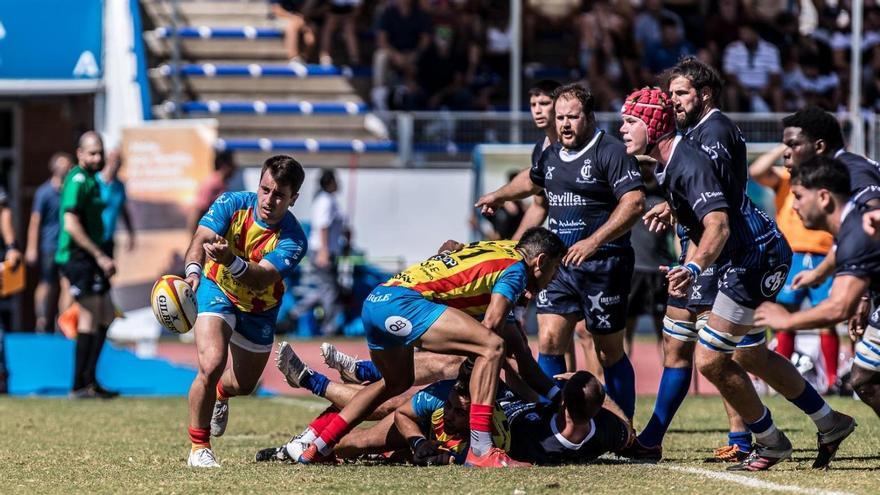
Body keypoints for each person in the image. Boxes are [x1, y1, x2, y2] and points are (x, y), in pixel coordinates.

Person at [622, 87, 854, 471]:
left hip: (755, 256)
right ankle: (830, 421)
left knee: (711, 358)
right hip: (745, 255)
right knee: (749, 354)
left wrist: (693, 267)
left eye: (630, 121)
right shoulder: (671, 161)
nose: (623, 130)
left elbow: (719, 224)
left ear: (652, 122)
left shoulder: (686, 161)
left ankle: (769, 441)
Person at [294, 229, 566, 468]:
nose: (554, 279)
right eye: (554, 270)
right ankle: (482, 451)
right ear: (540, 262)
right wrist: (471, 372)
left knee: (395, 383)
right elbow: (493, 325)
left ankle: (320, 446)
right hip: (406, 304)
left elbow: (450, 247)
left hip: (378, 299)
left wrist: (556, 395)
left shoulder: (501, 250)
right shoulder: (516, 268)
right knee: (492, 346)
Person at [477, 84, 646, 420]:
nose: (565, 123)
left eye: (573, 116)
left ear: (589, 117)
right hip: (560, 268)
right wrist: (500, 195)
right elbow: (532, 181)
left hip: (604, 265)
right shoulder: (552, 153)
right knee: (551, 340)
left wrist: (594, 241)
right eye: (561, 117)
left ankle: (623, 427)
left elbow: (634, 202)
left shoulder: (609, 151)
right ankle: (552, 419)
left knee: (607, 350)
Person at [628, 58, 754, 462]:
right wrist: (673, 206)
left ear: (705, 94)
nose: (674, 101)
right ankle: (652, 437)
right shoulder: (692, 133)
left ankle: (744, 437)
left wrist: (681, 211)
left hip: (715, 255)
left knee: (721, 354)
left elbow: (712, 200)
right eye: (672, 94)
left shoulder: (713, 130)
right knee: (676, 343)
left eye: (682, 93)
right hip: (693, 252)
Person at [183, 155, 308, 468]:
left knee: (244, 384)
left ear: (293, 199)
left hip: (259, 309)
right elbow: (200, 238)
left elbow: (261, 277)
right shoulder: (231, 203)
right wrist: (195, 271)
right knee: (211, 365)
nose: (268, 200)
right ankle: (199, 448)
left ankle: (222, 393)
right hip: (217, 289)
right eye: (265, 190)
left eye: (279, 195)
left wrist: (230, 260)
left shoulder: (294, 239)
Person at [755, 156, 880, 419]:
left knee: (864, 377)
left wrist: (788, 320)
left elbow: (839, 308)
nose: (794, 206)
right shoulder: (850, 227)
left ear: (823, 197)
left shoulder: (856, 231)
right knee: (864, 378)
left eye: (799, 197)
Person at [749, 144, 838, 390]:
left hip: (824, 253)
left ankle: (831, 381)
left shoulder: (825, 176)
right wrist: (782, 149)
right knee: (783, 316)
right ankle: (781, 380)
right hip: (791, 254)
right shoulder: (786, 177)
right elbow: (756, 170)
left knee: (827, 319)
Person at [57, 132, 118, 399]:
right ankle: (78, 385)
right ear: (80, 154)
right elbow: (71, 224)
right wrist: (99, 255)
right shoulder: (79, 180)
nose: (98, 157)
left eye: (100, 152)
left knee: (106, 314)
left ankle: (90, 379)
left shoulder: (94, 180)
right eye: (92, 153)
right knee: (90, 315)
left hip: (92, 255)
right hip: (78, 256)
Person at [502, 371, 632, 465]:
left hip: (498, 406)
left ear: (562, 400)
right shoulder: (607, 430)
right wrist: (603, 398)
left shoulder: (535, 440)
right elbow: (627, 430)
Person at [289, 169, 345, 335]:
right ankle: (330, 328)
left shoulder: (328, 200)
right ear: (329, 182)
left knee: (323, 289)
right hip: (322, 250)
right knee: (329, 290)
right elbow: (323, 226)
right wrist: (324, 251)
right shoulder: (325, 201)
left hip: (327, 249)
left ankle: (294, 314)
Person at [26, 152, 73, 332]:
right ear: (54, 168)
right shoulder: (44, 192)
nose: (66, 169)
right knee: (47, 283)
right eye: (62, 165)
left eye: (68, 166)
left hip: (67, 246)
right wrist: (31, 247)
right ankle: (42, 319)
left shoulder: (71, 191)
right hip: (48, 246)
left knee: (67, 285)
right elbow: (35, 221)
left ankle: (62, 322)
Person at [97, 150, 136, 256]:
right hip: (92, 239)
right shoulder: (94, 182)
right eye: (114, 161)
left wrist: (131, 234)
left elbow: (123, 210)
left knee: (108, 270)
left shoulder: (119, 186)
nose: (116, 164)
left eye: (119, 161)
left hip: (109, 238)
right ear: (106, 160)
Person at [188, 151, 237, 233]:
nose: (235, 168)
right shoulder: (211, 183)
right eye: (232, 164)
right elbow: (197, 210)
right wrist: (194, 239)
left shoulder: (223, 184)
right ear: (224, 165)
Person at [318, 0, 361, 66]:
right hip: (333, 13)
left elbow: (357, 10)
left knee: (349, 30)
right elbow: (327, 6)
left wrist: (348, 18)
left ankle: (354, 58)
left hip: (349, 15)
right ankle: (325, 57)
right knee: (328, 28)